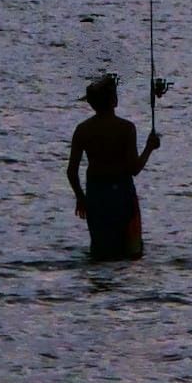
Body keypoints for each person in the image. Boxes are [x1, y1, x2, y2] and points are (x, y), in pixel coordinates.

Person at [67, 75, 162, 260]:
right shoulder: (126, 128)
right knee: (131, 252)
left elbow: (71, 172)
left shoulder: (82, 130)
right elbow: (134, 169)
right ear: (114, 100)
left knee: (100, 253)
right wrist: (149, 148)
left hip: (96, 195)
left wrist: (81, 197)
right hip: (122, 195)